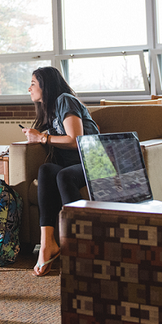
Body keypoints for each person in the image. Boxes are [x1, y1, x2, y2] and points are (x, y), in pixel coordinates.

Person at [22, 66, 99, 276]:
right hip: (73, 165)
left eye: (33, 83)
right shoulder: (51, 109)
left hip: (95, 162)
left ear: (45, 87)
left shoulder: (65, 100)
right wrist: (37, 136)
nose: (29, 88)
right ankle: (47, 243)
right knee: (46, 170)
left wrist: (42, 138)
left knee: (63, 175)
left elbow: (75, 140)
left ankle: (78, 243)